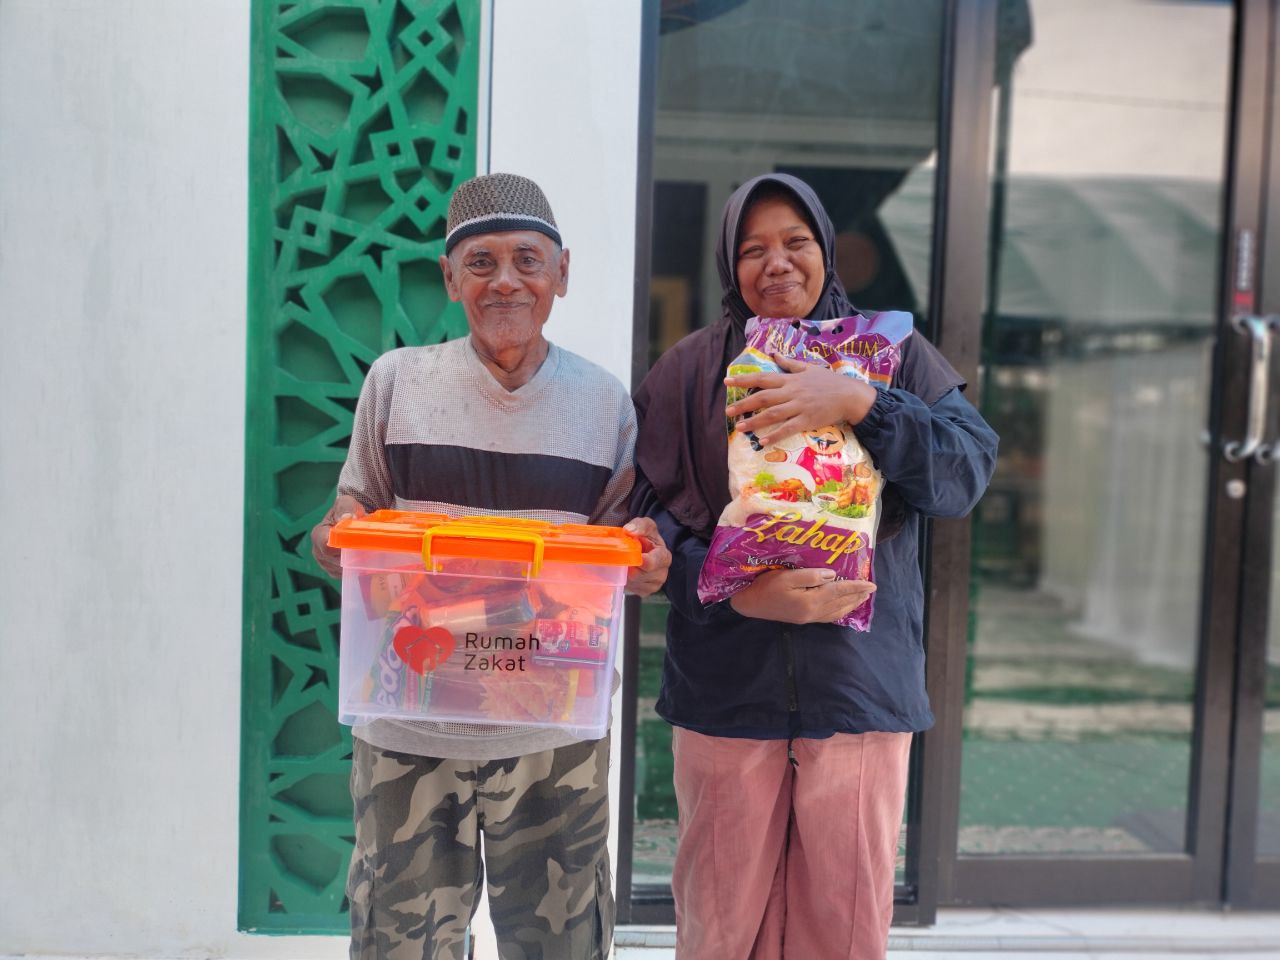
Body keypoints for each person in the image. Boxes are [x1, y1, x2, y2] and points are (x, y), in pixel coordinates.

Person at [632, 173, 997, 959]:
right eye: (753, 249)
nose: (777, 263)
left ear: (826, 250)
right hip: (725, 693)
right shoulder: (689, 371)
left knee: (844, 924)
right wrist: (735, 594)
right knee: (719, 924)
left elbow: (965, 473)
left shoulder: (890, 353)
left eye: (795, 242)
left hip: (858, 688)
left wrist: (862, 402)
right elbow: (651, 516)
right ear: (729, 263)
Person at [310, 172, 671, 960]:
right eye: (480, 262)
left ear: (561, 274)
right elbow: (352, 514)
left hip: (553, 732)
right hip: (409, 723)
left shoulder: (603, 402)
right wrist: (334, 537)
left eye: (527, 260)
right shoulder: (397, 383)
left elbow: (617, 550)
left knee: (561, 945)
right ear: (450, 278)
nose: (505, 280)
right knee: (400, 945)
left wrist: (645, 561)